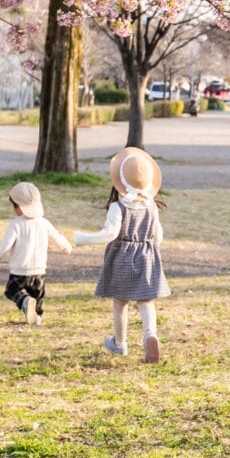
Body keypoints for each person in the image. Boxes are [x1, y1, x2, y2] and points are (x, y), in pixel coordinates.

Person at [75, 148, 169, 363]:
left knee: (120, 303)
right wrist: (148, 247)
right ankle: (150, 334)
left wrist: (83, 239)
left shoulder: (118, 207)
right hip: (147, 255)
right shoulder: (151, 206)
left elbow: (111, 233)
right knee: (146, 302)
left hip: (123, 258)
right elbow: (159, 236)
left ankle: (120, 344)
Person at [0, 182, 71, 326]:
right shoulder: (44, 222)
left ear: (18, 206)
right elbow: (56, 236)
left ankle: (24, 301)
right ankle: (37, 318)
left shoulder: (16, 224)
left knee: (11, 291)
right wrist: (66, 247)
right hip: (39, 270)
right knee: (38, 296)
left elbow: (6, 245)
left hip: (19, 270)